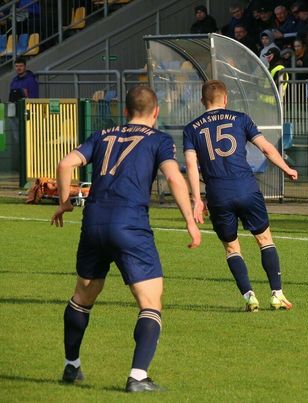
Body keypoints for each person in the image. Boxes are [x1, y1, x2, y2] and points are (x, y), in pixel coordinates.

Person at [51, 86, 201, 392]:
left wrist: (65, 202)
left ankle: (71, 365)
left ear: (126, 111)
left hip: (93, 222)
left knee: (82, 297)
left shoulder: (102, 135)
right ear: (155, 112)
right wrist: (190, 219)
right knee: (150, 302)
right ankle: (138, 376)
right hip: (130, 223)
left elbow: (65, 164)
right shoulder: (158, 139)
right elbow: (174, 177)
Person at [183, 80, 298, 311]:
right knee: (264, 240)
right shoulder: (240, 118)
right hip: (247, 188)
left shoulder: (192, 128)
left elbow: (191, 166)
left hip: (218, 194)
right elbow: (266, 148)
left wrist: (196, 200)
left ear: (202, 101)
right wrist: (286, 168)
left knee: (231, 248)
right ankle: (277, 294)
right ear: (226, 99)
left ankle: (249, 297)